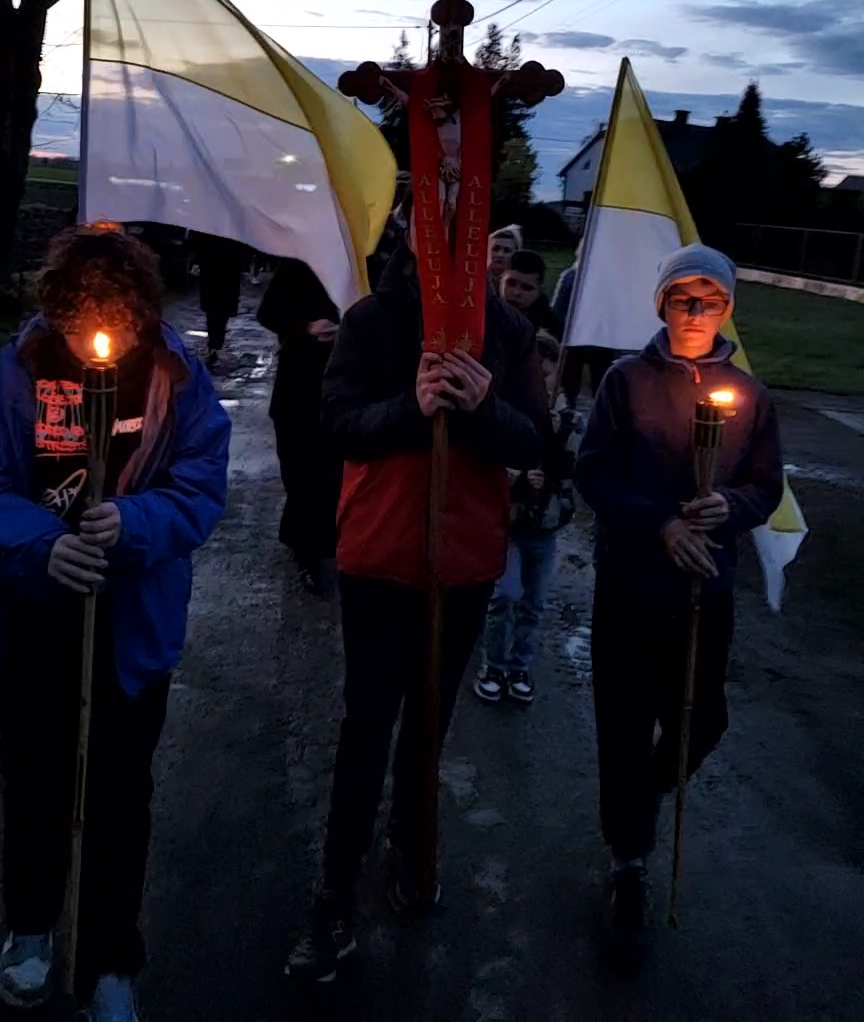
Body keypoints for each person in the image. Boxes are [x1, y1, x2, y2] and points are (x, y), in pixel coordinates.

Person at [0, 227, 231, 1020]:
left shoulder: (179, 377)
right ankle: (31, 927)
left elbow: (203, 486)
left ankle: (109, 958)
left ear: (141, 311)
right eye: (81, 315)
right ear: (58, 308)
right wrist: (38, 547)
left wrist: (135, 523)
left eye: (117, 316)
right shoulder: (18, 372)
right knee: (36, 783)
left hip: (131, 622)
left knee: (118, 795)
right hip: (36, 622)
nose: (99, 334)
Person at [285, 203, 548, 984]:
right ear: (410, 243)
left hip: (464, 558)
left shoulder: (507, 329)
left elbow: (534, 440)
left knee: (429, 721)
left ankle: (412, 841)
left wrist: (480, 410)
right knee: (367, 722)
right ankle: (333, 892)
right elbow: (335, 423)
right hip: (381, 551)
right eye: (431, 240)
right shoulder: (370, 320)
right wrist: (413, 407)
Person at [574, 243, 783, 968]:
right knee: (626, 722)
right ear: (661, 303)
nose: (697, 312)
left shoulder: (750, 396)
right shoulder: (626, 381)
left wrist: (730, 504)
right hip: (633, 585)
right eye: (684, 298)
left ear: (729, 307)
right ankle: (628, 862)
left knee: (704, 716)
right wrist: (658, 522)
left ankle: (643, 797)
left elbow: (765, 485)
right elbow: (594, 471)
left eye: (712, 300)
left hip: (707, 588)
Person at [474, 330, 574, 706]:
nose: (540, 382)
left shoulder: (566, 421)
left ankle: (520, 665)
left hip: (545, 528)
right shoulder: (504, 412)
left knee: (534, 601)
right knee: (505, 595)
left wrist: (557, 456)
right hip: (510, 526)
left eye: (546, 374)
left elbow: (574, 470)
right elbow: (486, 465)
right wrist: (516, 479)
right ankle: (493, 664)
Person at [257, 258, 342, 594]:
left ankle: (319, 546)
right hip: (297, 388)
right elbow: (268, 314)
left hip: (340, 387)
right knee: (300, 471)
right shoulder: (298, 265)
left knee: (329, 474)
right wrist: (306, 328)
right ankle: (306, 551)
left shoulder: (357, 264)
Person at [552, 241, 618, 408]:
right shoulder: (572, 276)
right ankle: (568, 408)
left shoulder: (609, 280)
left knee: (600, 383)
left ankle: (598, 409)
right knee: (569, 384)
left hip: (600, 341)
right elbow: (559, 309)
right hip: (575, 339)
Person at [191, 231, 245, 366]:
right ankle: (216, 342)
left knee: (215, 310)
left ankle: (214, 342)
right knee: (219, 310)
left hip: (216, 269)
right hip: (223, 270)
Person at [499, 248, 564, 341]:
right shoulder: (482, 312)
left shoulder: (552, 327)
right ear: (500, 280)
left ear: (539, 290)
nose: (516, 292)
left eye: (526, 288)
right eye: (511, 283)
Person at [486, 223, 523, 288]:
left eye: (506, 251)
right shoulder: (474, 280)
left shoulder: (522, 286)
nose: (500, 255)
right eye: (495, 249)